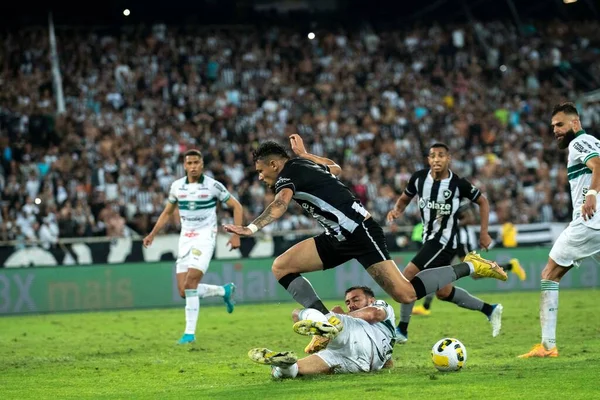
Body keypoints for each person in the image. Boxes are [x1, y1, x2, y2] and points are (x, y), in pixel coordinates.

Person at [223, 135, 508, 334]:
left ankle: (472, 265)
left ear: (274, 164)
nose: (260, 176)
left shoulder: (286, 177)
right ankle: (326, 323)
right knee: (281, 266)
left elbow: (280, 204)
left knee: (405, 293)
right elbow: (336, 168)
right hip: (336, 237)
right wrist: (305, 154)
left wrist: (251, 228)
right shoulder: (304, 164)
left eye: (261, 171)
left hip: (360, 233)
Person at [387, 143, 504, 343]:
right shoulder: (419, 178)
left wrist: (484, 233)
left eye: (441, 155)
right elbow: (405, 198)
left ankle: (402, 330)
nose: (437, 159)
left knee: (407, 275)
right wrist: (397, 210)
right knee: (443, 292)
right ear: (428, 159)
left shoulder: (458, 184)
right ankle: (490, 310)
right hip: (429, 239)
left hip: (444, 241)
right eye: (433, 155)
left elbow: (483, 201)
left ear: (448, 159)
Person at [520, 102, 600, 358]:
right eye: (553, 125)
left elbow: (599, 165)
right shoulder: (591, 141)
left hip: (589, 222)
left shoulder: (580, 142)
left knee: (549, 274)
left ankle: (547, 346)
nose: (555, 129)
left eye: (560, 124)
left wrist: (591, 194)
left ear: (575, 123)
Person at [143, 149, 244, 344]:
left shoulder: (213, 186)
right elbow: (166, 212)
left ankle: (189, 334)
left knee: (190, 284)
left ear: (202, 164)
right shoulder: (177, 187)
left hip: (205, 238)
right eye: (189, 163)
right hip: (185, 239)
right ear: (184, 165)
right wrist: (152, 234)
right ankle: (224, 291)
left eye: (196, 162)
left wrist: (236, 235)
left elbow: (237, 206)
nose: (193, 166)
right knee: (183, 291)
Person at [248, 286, 396, 377]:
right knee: (298, 369)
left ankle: (323, 327)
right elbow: (387, 360)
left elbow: (374, 314)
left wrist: (341, 315)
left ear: (371, 300)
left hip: (355, 349)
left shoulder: (382, 306)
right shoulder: (387, 337)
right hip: (351, 353)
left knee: (296, 314)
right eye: (348, 302)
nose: (351, 305)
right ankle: (283, 366)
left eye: (356, 300)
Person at [415, 199, 527, 317]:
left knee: (475, 273)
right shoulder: (444, 197)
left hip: (461, 241)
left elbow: (470, 218)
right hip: (451, 241)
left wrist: (450, 224)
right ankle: (425, 306)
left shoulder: (458, 200)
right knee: (437, 270)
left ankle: (510, 265)